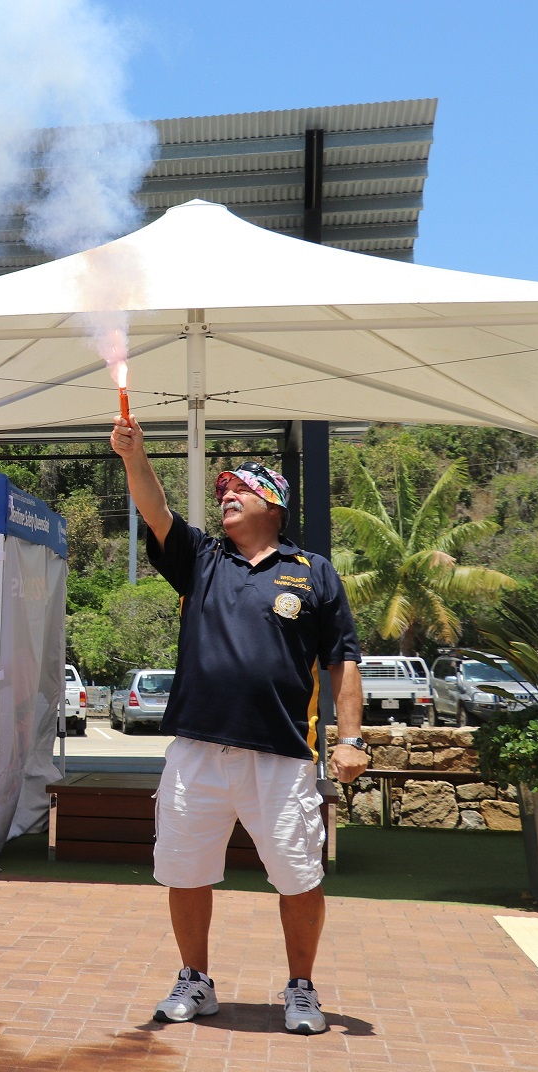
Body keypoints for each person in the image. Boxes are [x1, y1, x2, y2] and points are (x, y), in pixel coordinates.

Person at [110, 417, 367, 1036]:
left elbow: (342, 661)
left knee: (299, 876)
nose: (226, 492)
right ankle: (194, 980)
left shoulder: (314, 572)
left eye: (240, 486)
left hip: (280, 756)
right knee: (183, 870)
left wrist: (352, 739)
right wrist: (135, 456)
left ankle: (301, 989)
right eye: (221, 486)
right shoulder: (200, 558)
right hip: (196, 751)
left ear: (272, 504)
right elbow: (155, 506)